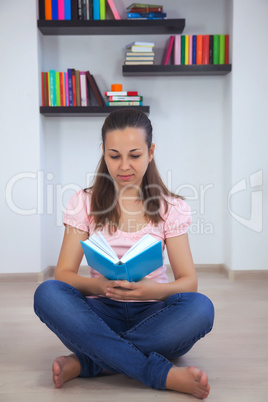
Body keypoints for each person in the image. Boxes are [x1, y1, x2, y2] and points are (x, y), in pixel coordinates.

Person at [34, 109, 214, 399]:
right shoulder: (83, 202)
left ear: (151, 151)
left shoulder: (171, 207)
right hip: (100, 312)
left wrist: (149, 291)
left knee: (201, 308)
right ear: (103, 152)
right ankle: (158, 373)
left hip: (155, 314)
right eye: (114, 155)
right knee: (47, 293)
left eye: (134, 155)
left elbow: (188, 281)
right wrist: (100, 286)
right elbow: (64, 274)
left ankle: (89, 362)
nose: (124, 166)